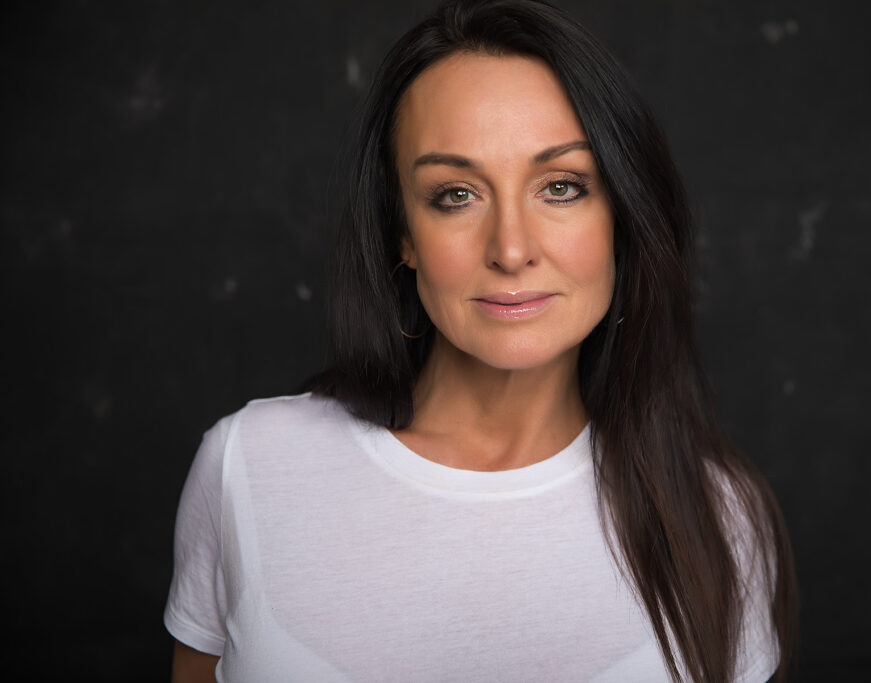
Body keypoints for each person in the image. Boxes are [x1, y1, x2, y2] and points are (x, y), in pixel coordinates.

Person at [164, 1, 798, 681]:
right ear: (401, 233)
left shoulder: (717, 511)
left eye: (561, 186)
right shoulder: (249, 466)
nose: (512, 248)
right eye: (455, 194)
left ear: (622, 215)